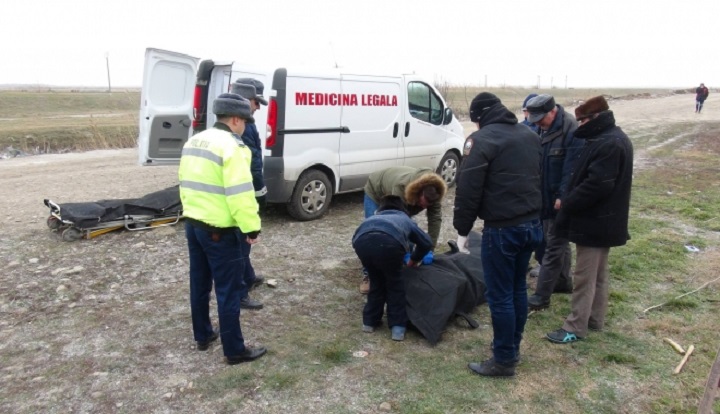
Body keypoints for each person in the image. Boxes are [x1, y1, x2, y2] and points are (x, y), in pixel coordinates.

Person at [453, 92, 542, 377]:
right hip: (532, 223)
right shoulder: (529, 135)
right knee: (517, 289)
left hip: (503, 229)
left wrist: (462, 230)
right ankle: (511, 348)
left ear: (479, 118)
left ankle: (503, 360)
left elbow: (468, 189)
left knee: (501, 295)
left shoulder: (481, 140)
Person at [179, 92, 267, 364]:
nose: (246, 126)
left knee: (199, 283)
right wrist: (251, 228)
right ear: (236, 120)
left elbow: (185, 182)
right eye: (246, 121)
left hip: (193, 224)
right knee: (228, 291)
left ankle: (203, 335)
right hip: (220, 230)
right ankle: (234, 350)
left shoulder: (195, 141)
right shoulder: (233, 148)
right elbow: (241, 194)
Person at [545, 96, 633, 344]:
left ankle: (575, 326)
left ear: (595, 118)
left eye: (582, 121)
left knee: (584, 277)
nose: (580, 125)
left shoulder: (609, 143)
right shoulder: (611, 138)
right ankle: (594, 319)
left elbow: (597, 185)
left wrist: (568, 201)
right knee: (598, 275)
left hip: (595, 223)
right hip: (603, 222)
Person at [525, 94, 582, 311]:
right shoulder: (542, 128)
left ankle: (542, 295)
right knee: (558, 242)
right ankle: (563, 281)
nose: (538, 123)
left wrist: (563, 195)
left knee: (554, 245)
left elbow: (572, 168)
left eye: (541, 119)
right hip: (544, 197)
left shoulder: (570, 129)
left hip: (560, 199)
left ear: (552, 111)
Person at [352, 195, 434, 341]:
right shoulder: (404, 219)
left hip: (362, 243)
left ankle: (369, 322)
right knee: (395, 284)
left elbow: (355, 238)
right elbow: (426, 242)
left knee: (376, 281)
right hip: (390, 243)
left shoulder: (372, 218)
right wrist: (414, 259)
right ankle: (398, 327)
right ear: (402, 208)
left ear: (381, 208)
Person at [359, 166, 447, 293]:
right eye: (422, 204)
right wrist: (404, 250)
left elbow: (435, 220)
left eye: (427, 206)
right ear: (418, 193)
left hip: (403, 198)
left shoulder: (434, 194)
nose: (423, 207)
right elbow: (396, 222)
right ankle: (369, 275)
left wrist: (429, 249)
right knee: (374, 234)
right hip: (376, 189)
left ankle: (402, 268)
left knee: (407, 234)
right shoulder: (401, 188)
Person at [230, 80, 268, 310]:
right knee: (242, 241)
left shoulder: (247, 124)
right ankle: (241, 291)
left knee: (244, 243)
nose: (258, 107)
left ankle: (248, 276)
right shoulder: (241, 129)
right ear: (245, 101)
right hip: (243, 193)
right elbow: (252, 164)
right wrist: (261, 193)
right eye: (256, 102)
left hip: (243, 191)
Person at [520, 93, 543, 276]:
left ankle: (542, 261)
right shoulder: (520, 128)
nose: (527, 115)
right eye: (525, 111)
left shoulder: (544, 129)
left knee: (540, 225)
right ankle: (524, 260)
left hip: (538, 184)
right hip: (524, 184)